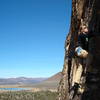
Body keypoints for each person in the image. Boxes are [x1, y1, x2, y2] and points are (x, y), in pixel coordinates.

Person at [69, 25, 93, 100]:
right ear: (82, 30)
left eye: (87, 28)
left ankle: (76, 83)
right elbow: (88, 35)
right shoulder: (82, 35)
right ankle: (88, 71)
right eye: (85, 28)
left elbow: (90, 35)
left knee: (80, 68)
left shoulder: (85, 36)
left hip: (77, 54)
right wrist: (91, 32)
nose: (87, 29)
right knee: (90, 56)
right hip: (79, 50)